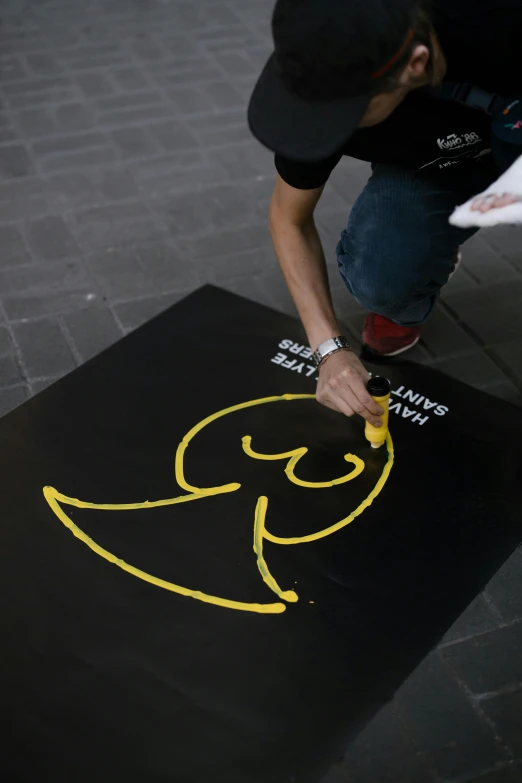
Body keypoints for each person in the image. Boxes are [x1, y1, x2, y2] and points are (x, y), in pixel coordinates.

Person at [247, 0, 522, 429]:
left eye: (343, 118)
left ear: (416, 65)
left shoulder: (499, 27)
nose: (322, 128)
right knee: (384, 272)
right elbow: (289, 219)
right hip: (436, 166)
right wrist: (329, 349)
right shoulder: (322, 73)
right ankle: (422, 263)